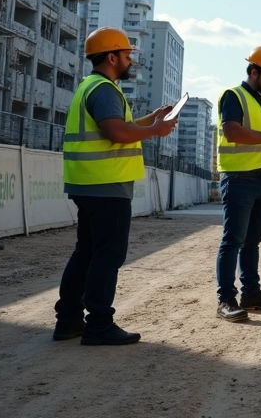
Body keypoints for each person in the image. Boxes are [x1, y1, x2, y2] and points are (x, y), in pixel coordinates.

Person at [54, 27, 177, 346]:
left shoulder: (90, 86)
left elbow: (121, 126)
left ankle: (68, 320)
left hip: (88, 182)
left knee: (86, 253)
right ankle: (99, 325)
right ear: (111, 57)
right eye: (126, 55)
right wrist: (155, 130)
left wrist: (153, 119)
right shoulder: (105, 90)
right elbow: (117, 133)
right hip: (106, 185)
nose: (130, 61)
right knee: (107, 256)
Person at [214, 46, 261, 322]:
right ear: (254, 71)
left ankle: (251, 293)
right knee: (232, 240)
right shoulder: (233, 95)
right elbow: (232, 132)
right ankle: (225, 299)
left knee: (252, 241)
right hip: (239, 177)